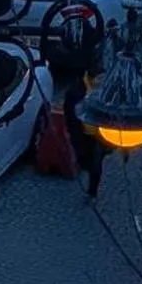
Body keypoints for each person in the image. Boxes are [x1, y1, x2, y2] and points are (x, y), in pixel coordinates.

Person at [62, 70, 104, 202]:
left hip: (99, 136)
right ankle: (85, 165)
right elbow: (69, 112)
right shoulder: (76, 91)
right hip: (81, 133)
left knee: (96, 164)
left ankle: (92, 192)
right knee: (84, 158)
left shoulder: (107, 90)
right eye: (99, 78)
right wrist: (70, 130)